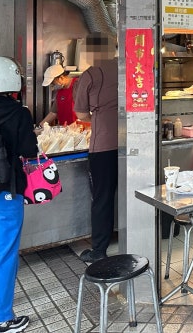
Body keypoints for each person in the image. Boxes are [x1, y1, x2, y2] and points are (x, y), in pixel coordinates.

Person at [0, 57, 38, 333]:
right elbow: (29, 151)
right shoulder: (18, 112)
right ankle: (1, 318)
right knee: (4, 254)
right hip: (6, 193)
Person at [74, 42, 118, 264]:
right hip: (134, 141)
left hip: (104, 145)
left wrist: (100, 118)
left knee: (102, 197)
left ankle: (99, 249)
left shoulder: (90, 74)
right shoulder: (129, 67)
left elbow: (81, 114)